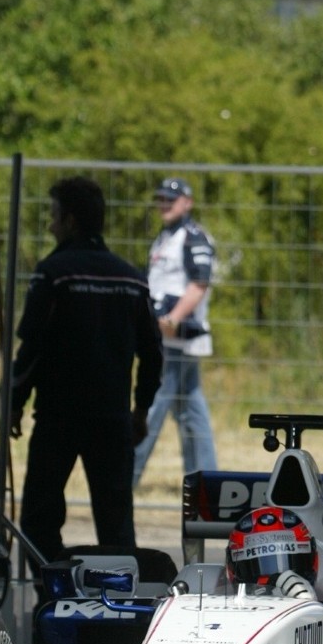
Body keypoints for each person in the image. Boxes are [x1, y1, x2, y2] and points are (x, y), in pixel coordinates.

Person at [10, 176, 162, 565]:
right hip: (112, 420)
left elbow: (32, 349)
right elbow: (153, 353)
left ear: (72, 221)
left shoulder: (54, 273)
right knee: (115, 524)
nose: (50, 225)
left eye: (54, 216)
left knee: (39, 518)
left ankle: (54, 594)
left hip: (57, 418)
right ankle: (119, 606)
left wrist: (13, 403)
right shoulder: (131, 279)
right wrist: (141, 410)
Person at [132, 176, 218, 487]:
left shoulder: (194, 237)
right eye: (161, 199)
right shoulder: (165, 237)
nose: (165, 204)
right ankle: (206, 482)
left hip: (177, 339)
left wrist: (169, 321)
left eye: (172, 198)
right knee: (192, 412)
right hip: (166, 337)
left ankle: (126, 479)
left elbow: (199, 285)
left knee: (152, 410)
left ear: (188, 202)